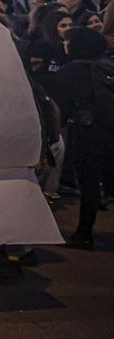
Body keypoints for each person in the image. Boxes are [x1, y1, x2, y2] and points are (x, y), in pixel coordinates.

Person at [52, 27, 113, 250]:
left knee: (88, 184)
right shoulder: (108, 65)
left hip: (87, 131)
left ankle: (84, 233)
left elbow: (61, 108)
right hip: (109, 130)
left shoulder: (70, 70)